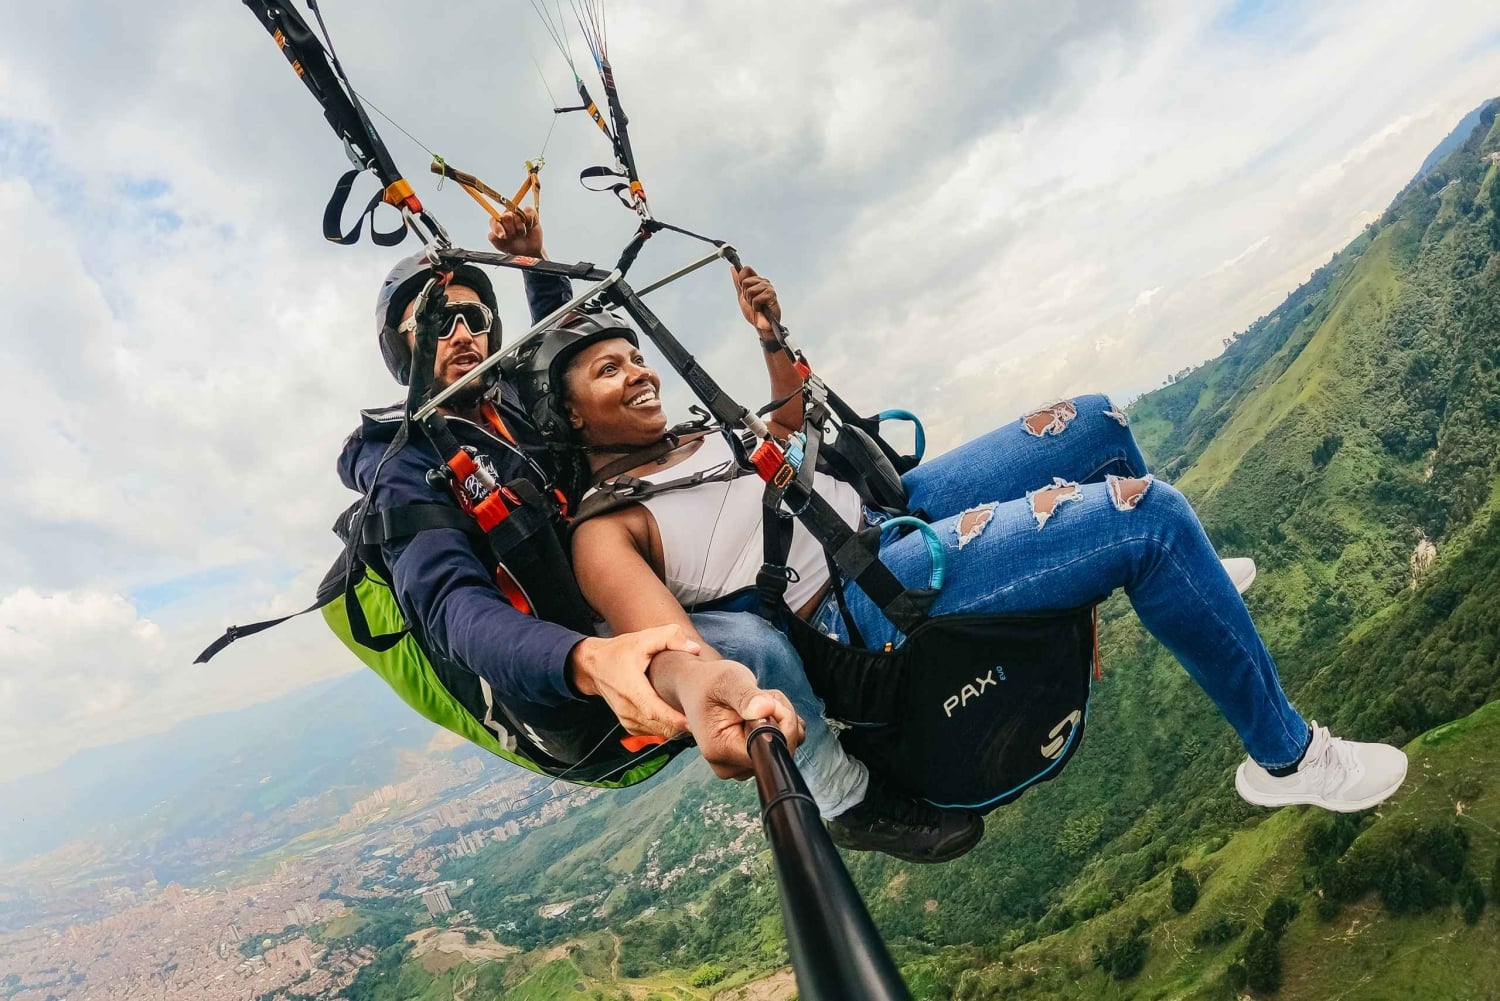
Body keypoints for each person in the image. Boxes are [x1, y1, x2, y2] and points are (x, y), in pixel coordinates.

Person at [534, 266, 1411, 825]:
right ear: (572, 415)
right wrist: (718, 695)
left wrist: (771, 342)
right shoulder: (607, 528)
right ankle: (1289, 757)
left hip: (883, 513)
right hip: (863, 597)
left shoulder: (691, 436)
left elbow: (788, 437)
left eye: (636, 357)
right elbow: (669, 647)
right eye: (608, 370)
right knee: (1146, 516)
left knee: (1098, 420)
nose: (639, 371)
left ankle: (1195, 586)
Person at [336, 209, 808, 788]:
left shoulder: (507, 402)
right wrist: (585, 659)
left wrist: (532, 259)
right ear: (402, 346)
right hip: (557, 664)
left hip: (615, 584)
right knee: (750, 649)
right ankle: (844, 796)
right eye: (437, 319)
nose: (462, 333)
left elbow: (561, 355)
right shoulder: (401, 463)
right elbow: (451, 608)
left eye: (474, 317)